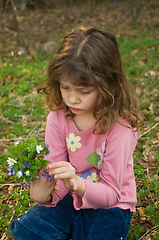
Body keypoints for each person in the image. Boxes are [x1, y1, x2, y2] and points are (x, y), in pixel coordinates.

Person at [10, 25, 143, 240]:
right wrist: (43, 191)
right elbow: (56, 174)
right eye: (65, 87)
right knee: (27, 230)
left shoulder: (120, 127)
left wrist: (77, 183)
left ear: (107, 85)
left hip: (111, 206)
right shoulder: (58, 118)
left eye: (84, 91)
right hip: (69, 198)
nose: (72, 99)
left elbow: (111, 193)